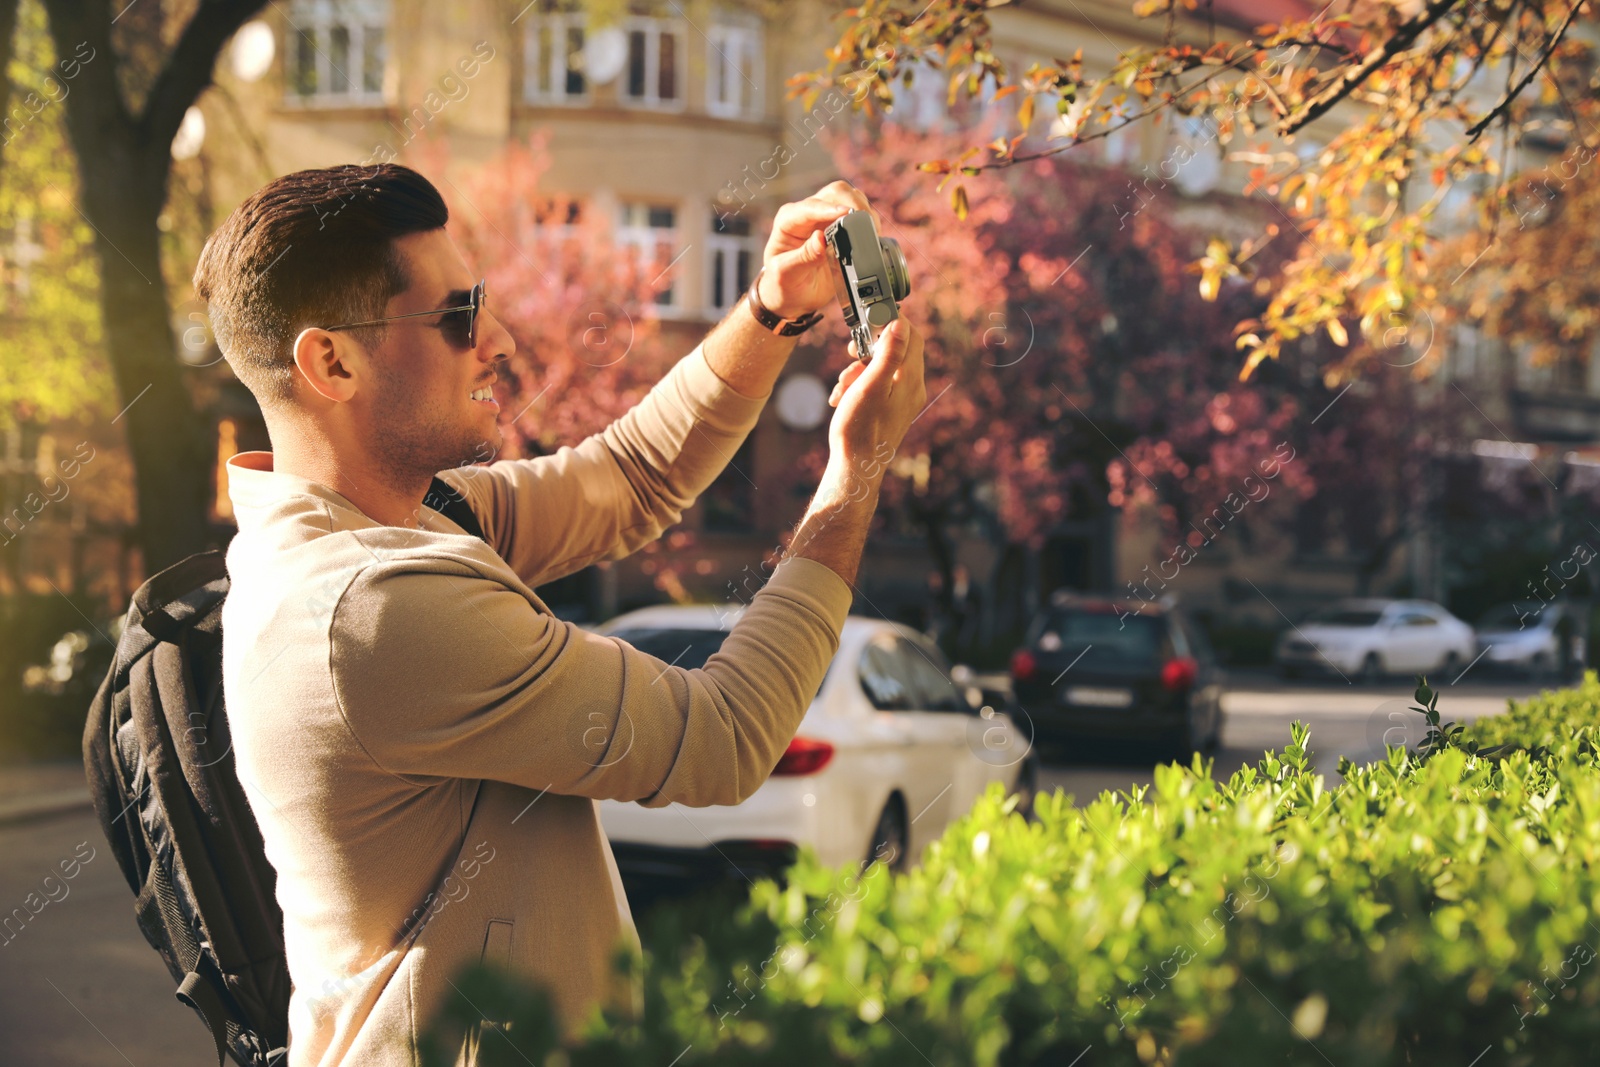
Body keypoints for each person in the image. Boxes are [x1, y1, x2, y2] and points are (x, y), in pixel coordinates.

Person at [194, 163, 925, 1066]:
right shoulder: (371, 606)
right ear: (332, 362)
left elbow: (631, 477)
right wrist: (857, 476)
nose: (496, 339)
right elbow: (723, 736)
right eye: (459, 317)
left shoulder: (403, 516)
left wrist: (770, 311)